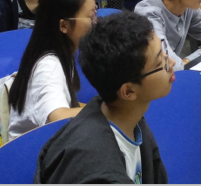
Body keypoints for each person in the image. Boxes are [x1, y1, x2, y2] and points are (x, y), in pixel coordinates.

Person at [35, 11, 172, 184]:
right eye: (160, 63)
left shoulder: (131, 121)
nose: (171, 63)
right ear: (128, 91)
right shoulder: (97, 171)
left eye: (164, 54)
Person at [7, 0, 96, 140]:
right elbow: (58, 117)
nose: (96, 22)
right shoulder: (48, 67)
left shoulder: (63, 54)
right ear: (64, 25)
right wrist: (107, 111)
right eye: (91, 16)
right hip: (31, 152)